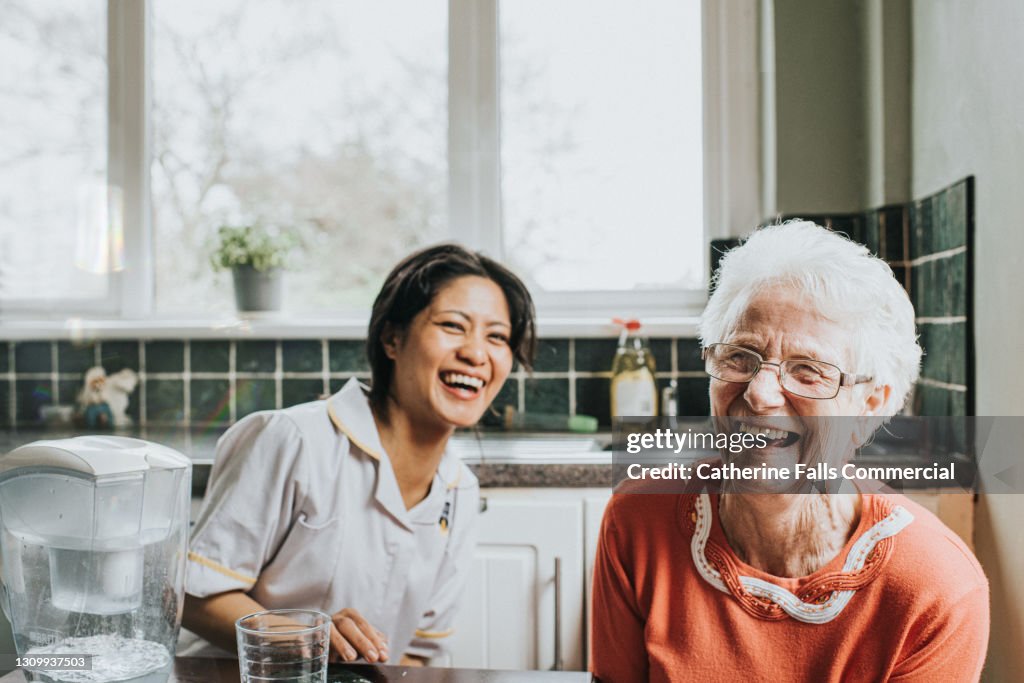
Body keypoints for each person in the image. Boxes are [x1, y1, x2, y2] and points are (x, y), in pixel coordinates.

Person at [591, 222, 989, 682]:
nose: (760, 395)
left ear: (870, 405)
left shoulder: (936, 586)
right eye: (739, 356)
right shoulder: (638, 519)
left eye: (807, 370)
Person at [181, 244, 536, 665]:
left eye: (497, 336)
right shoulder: (292, 440)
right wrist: (306, 640)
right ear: (392, 338)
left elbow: (416, 655)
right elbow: (194, 595)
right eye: (453, 325)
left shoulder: (460, 491)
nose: (477, 354)